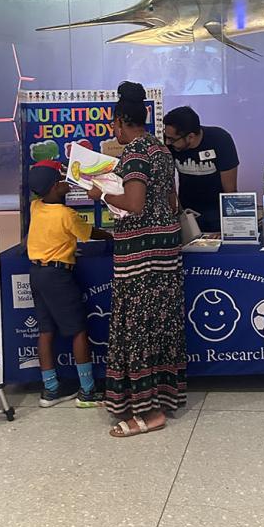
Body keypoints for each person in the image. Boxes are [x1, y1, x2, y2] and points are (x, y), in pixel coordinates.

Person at [87, 81, 186, 438]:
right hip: (165, 252)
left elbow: (134, 204)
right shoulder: (161, 150)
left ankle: (149, 412)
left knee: (138, 329)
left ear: (118, 121)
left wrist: (101, 193)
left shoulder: (134, 155)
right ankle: (151, 396)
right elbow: (172, 202)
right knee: (160, 326)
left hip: (139, 257)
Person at [26, 162, 104, 408]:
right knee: (78, 330)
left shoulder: (35, 206)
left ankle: (50, 390)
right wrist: (111, 235)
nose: (66, 183)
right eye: (61, 180)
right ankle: (88, 390)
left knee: (46, 331)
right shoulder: (66, 215)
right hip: (58, 277)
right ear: (53, 187)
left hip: (37, 274)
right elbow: (89, 233)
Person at [163, 105, 239, 232]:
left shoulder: (220, 140)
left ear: (191, 137)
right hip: (188, 213)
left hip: (217, 213)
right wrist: (179, 213)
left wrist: (229, 226)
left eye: (172, 139)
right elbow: (169, 184)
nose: (167, 142)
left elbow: (230, 190)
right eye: (166, 137)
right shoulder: (169, 146)